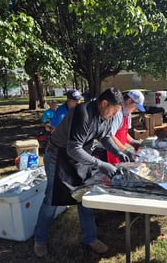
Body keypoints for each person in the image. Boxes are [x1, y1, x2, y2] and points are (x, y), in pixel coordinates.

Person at [33, 87, 130, 257]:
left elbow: (105, 137)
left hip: (80, 156)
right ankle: (39, 239)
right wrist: (101, 164)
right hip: (58, 155)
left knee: (84, 197)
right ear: (104, 103)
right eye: (114, 111)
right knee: (51, 199)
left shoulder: (105, 115)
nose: (114, 115)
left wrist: (118, 152)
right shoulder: (82, 113)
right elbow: (73, 149)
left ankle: (90, 238)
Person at [106, 90, 145, 164]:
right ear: (129, 101)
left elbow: (124, 132)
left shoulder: (127, 113)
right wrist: (126, 151)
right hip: (111, 151)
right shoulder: (117, 113)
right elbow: (110, 136)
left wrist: (133, 143)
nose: (135, 110)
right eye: (135, 107)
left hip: (119, 149)